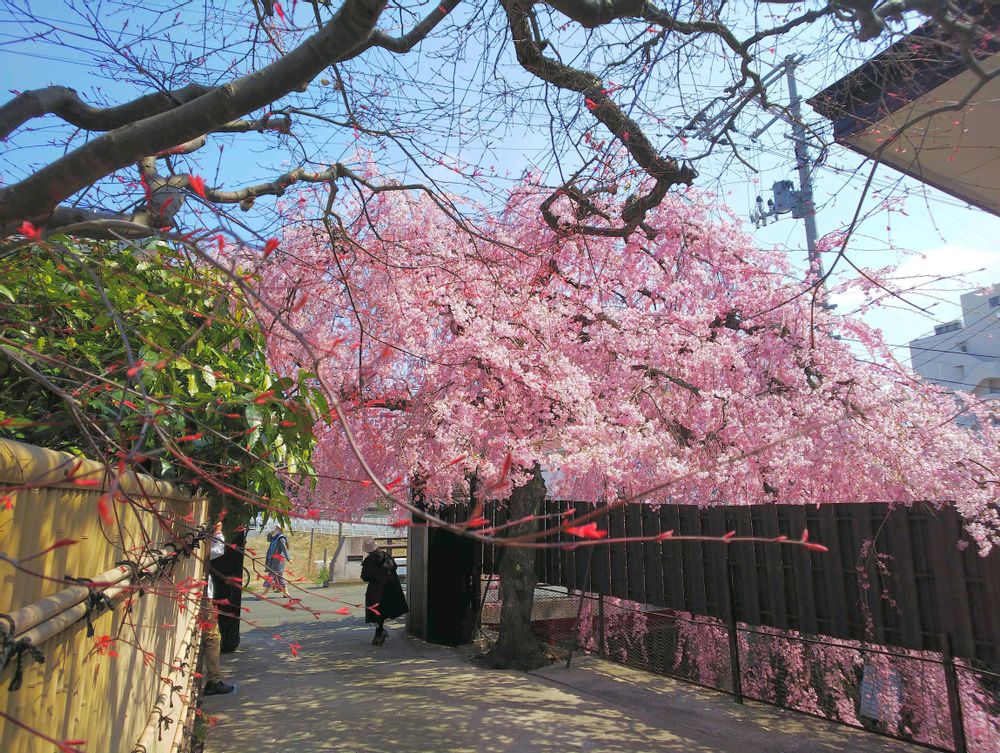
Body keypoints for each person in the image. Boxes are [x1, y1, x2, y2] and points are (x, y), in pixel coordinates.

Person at [202, 521, 235, 696]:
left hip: (200, 594)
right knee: (213, 638)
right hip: (203, 596)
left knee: (209, 637)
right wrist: (219, 533)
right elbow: (218, 550)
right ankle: (213, 681)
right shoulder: (202, 548)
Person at [360, 538, 408, 646]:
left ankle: (380, 632)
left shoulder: (369, 560)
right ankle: (379, 633)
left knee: (374, 612)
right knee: (382, 611)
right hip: (389, 589)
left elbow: (365, 576)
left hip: (375, 590)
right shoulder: (387, 556)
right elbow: (394, 568)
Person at [262, 525, 291, 597]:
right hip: (273, 560)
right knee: (279, 577)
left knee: (271, 575)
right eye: (275, 528)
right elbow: (269, 539)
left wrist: (288, 558)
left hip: (278, 561)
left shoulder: (281, 538)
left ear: (280, 529)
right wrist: (271, 533)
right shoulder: (275, 537)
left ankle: (264, 593)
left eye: (277, 528)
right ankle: (286, 592)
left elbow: (284, 549)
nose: (275, 529)